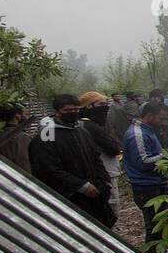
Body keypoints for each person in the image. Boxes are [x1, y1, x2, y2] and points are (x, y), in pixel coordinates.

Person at [30, 93, 114, 228]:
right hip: (70, 198)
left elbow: (95, 158)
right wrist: (81, 186)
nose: (73, 113)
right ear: (57, 112)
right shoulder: (47, 135)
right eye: (68, 110)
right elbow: (47, 169)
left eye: (76, 110)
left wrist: (104, 182)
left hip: (95, 196)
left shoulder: (81, 131)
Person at [122, 99, 168, 253]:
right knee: (154, 229)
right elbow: (144, 162)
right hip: (147, 189)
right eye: (162, 119)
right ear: (149, 116)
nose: (164, 123)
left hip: (156, 185)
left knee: (161, 226)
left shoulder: (149, 130)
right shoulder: (137, 134)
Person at [79, 92, 123, 222]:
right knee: (110, 209)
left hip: (95, 174)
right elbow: (114, 147)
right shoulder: (89, 126)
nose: (105, 108)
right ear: (88, 106)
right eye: (101, 104)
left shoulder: (84, 124)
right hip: (105, 172)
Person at [0, 103, 32, 173]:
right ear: (17, 116)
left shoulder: (1, 135)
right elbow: (25, 165)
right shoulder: (22, 138)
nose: (27, 118)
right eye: (25, 114)